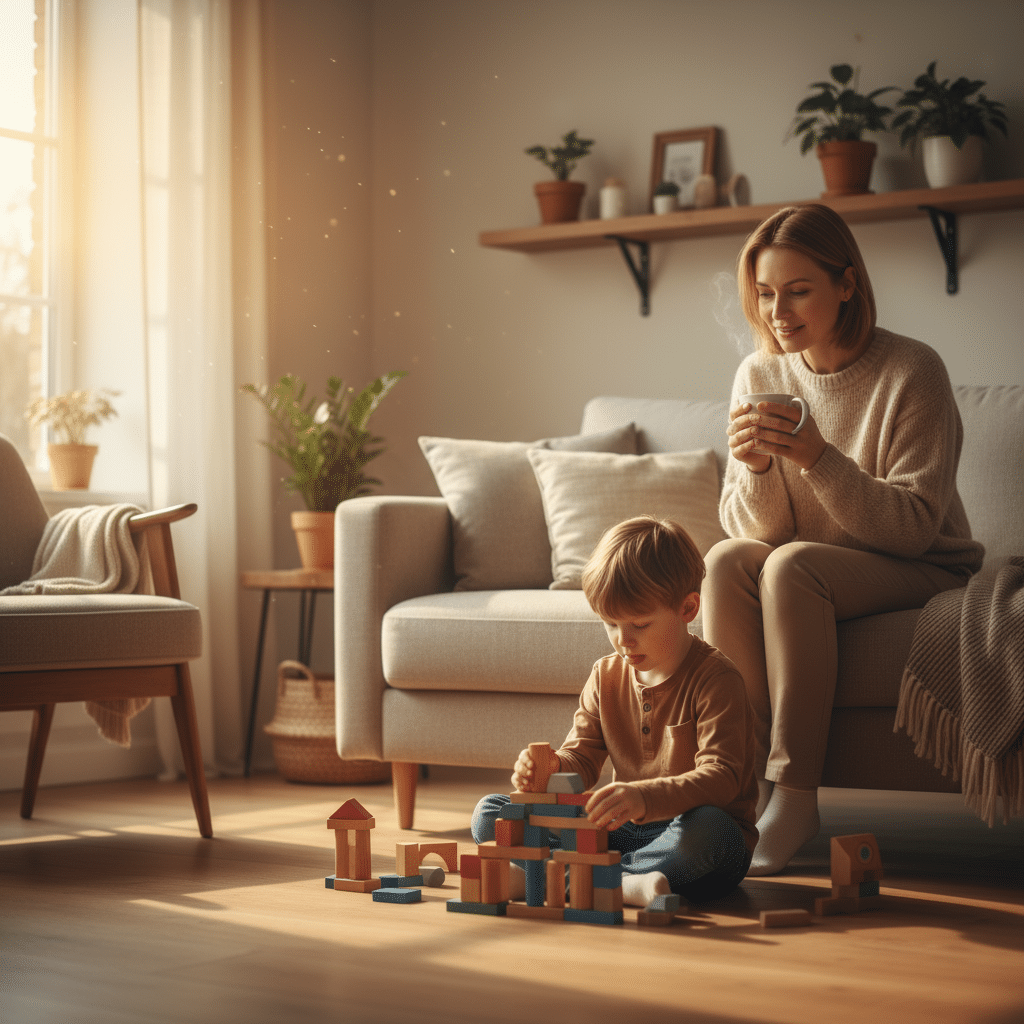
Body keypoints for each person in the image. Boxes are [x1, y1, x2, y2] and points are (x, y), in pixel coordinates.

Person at [703, 203, 983, 876]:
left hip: (923, 565)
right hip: (808, 566)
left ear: (847, 284)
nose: (778, 312)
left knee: (793, 568)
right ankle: (743, 787)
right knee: (724, 560)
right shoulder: (760, 375)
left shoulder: (913, 370)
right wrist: (759, 465)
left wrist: (817, 458)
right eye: (766, 294)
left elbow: (915, 529)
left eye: (798, 290)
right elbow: (757, 533)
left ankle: (798, 794)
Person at [470, 515, 758, 906]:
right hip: (618, 831)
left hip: (688, 831)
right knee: (492, 813)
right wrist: (553, 767)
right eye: (610, 624)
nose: (623, 640)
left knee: (713, 832)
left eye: (639, 624)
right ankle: (622, 883)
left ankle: (552, 878)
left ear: (688, 608)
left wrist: (643, 798)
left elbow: (722, 778)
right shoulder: (605, 676)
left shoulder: (716, 678)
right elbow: (583, 758)